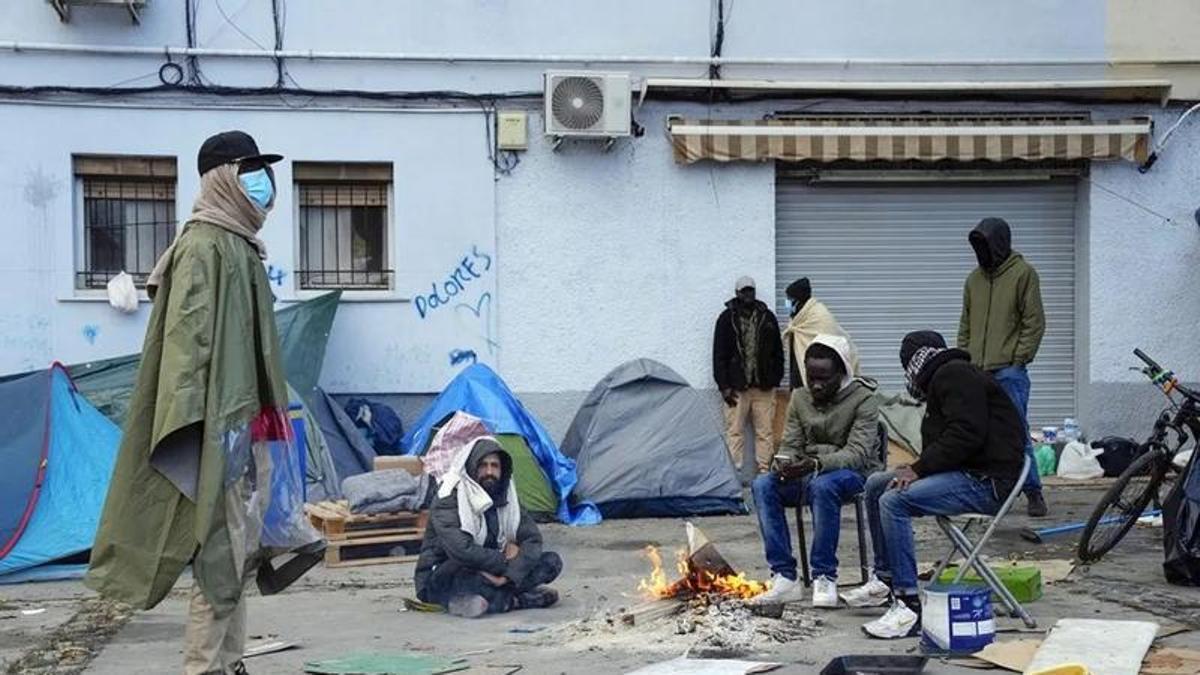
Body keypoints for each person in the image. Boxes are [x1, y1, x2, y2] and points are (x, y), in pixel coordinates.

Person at [87, 131, 323, 675]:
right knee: (217, 555)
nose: (263, 184)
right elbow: (187, 350)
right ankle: (204, 667)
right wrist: (198, 438)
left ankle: (230, 662)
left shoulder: (239, 244)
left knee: (238, 555)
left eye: (264, 172)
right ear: (223, 179)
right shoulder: (201, 247)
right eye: (251, 171)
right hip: (217, 431)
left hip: (246, 427)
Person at [847, 331, 1024, 639]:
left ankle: (908, 605)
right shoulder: (944, 379)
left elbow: (967, 433)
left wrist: (919, 468)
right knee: (877, 484)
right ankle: (886, 579)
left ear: (912, 364)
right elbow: (946, 442)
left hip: (987, 482)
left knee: (894, 501)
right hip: (970, 471)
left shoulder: (953, 375)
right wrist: (917, 468)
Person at [751, 335, 881, 608]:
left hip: (852, 474)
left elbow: (857, 454)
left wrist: (815, 464)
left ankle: (824, 574)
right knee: (763, 484)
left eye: (824, 378)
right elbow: (790, 443)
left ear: (842, 373)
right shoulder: (800, 397)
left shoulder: (864, 399)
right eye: (811, 377)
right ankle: (785, 577)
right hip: (808, 471)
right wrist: (783, 463)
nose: (816, 385)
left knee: (823, 486)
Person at [958, 217, 1048, 517]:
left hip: (1009, 372)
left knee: (1015, 431)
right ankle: (995, 492)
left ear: (998, 243)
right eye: (977, 246)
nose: (981, 252)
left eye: (985, 244)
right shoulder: (973, 280)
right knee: (981, 433)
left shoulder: (1024, 274)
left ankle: (1033, 491)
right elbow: (966, 324)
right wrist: (964, 359)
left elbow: (1034, 322)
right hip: (977, 371)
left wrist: (1017, 358)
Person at [415, 437, 563, 618]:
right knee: (466, 577)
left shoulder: (506, 497)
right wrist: (505, 561)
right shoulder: (448, 498)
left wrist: (508, 576)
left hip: (493, 570)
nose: (489, 472)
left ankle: (497, 596)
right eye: (483, 465)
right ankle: (517, 600)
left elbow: (532, 539)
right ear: (472, 467)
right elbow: (462, 550)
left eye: (495, 466)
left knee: (551, 562)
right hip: (445, 574)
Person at [713, 276, 785, 475]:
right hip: (736, 388)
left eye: (750, 290)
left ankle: (764, 473)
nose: (748, 295)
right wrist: (724, 386)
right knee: (734, 432)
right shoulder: (726, 318)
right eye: (744, 291)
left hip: (763, 387)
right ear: (737, 293)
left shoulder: (767, 316)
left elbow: (778, 351)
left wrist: (775, 378)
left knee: (765, 433)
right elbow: (719, 354)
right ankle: (733, 475)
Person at [781, 277, 859, 390]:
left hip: (821, 382)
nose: (787, 302)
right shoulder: (798, 318)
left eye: (789, 299)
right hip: (799, 378)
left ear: (798, 300)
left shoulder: (819, 316)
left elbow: (832, 347)